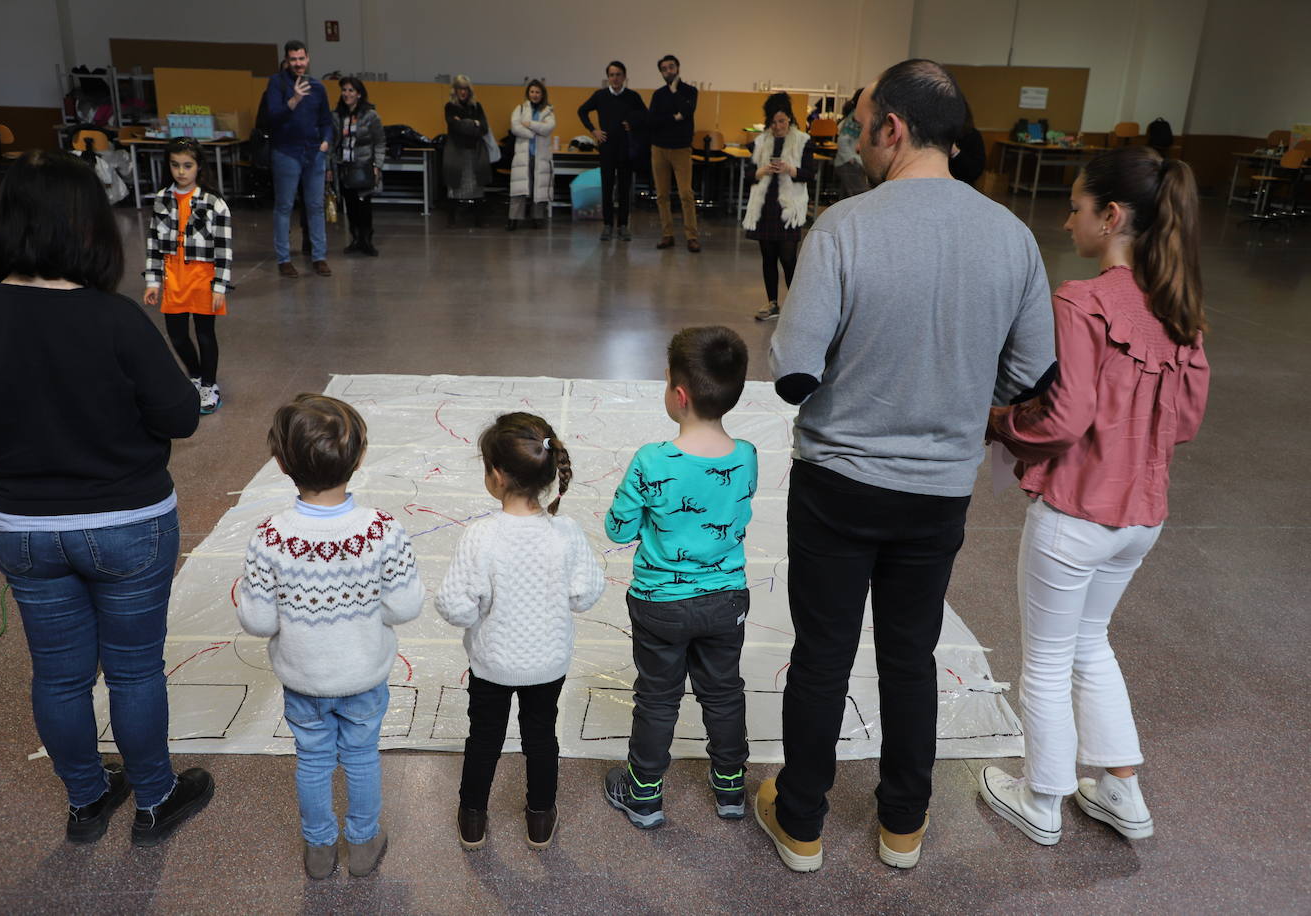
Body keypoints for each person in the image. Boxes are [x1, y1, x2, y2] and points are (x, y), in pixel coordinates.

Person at [759, 59, 1055, 873]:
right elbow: (1031, 378)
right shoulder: (1013, 237)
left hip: (838, 485)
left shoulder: (846, 227)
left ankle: (802, 823)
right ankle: (902, 827)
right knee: (909, 655)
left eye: (858, 125)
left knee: (822, 654)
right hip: (937, 493)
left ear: (892, 128)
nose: (853, 139)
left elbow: (794, 371)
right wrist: (957, 386)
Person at [0, 150, 213, 847]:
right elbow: (180, 415)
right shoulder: (115, 320)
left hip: (26, 527)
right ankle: (154, 800)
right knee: (133, 668)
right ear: (90, 228)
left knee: (58, 677)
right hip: (129, 522)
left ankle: (87, 802)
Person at [977, 147, 1210, 847]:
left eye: (1076, 207)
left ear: (1110, 217)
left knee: (1046, 660)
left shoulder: (1080, 300)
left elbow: (1064, 417)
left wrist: (1002, 424)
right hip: (1143, 516)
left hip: (1075, 514)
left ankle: (1042, 798)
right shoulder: (1181, 307)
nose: (1067, 218)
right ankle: (1122, 788)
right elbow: (1188, 420)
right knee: (1091, 643)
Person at [237, 394, 424, 879]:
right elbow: (405, 606)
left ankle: (319, 848)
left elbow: (258, 621)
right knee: (361, 757)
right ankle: (363, 844)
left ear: (280, 463)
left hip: (303, 679)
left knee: (313, 761)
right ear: (359, 458)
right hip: (363, 675)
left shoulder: (270, 536)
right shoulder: (382, 530)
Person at [601, 326, 756, 829]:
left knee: (658, 697)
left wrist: (650, 519)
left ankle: (644, 793)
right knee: (725, 691)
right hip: (725, 599)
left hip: (659, 602)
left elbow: (618, 529)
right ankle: (731, 787)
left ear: (679, 393)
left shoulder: (652, 460)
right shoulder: (747, 455)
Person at [436, 412, 605, 851]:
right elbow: (585, 594)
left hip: (493, 663)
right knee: (541, 736)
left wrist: (480, 612)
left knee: (484, 738)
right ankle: (540, 816)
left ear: (495, 475)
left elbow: (456, 607)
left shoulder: (481, 536)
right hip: (548, 662)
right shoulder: (565, 532)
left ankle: (473, 816)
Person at [143, 137, 232, 416]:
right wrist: (153, 281)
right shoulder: (161, 200)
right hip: (174, 279)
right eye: (175, 165)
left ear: (199, 167)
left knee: (205, 334)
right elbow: (153, 243)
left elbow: (224, 248)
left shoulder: (214, 203)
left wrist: (220, 285)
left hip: (203, 279)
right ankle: (194, 375)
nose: (181, 171)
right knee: (178, 335)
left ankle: (209, 384)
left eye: (187, 165)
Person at [744, 93, 815, 322]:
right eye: (773, 122)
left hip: (788, 207)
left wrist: (789, 169)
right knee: (768, 257)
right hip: (765, 205)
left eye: (782, 121)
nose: (778, 126)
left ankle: (796, 305)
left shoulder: (803, 140)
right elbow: (747, 175)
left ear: (790, 119)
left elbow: (810, 174)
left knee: (788, 258)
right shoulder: (760, 142)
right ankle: (772, 303)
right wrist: (760, 171)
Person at [265, 39, 333, 278]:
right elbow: (271, 118)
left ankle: (319, 257)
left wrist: (326, 141)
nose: (298, 64)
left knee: (315, 206)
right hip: (286, 153)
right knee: (284, 206)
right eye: (293, 59)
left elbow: (326, 120)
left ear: (308, 59)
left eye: (301, 59)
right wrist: (292, 101)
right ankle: (284, 259)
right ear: (286, 60)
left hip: (314, 153)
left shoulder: (318, 87)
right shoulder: (276, 84)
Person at [578, 61, 647, 241]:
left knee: (624, 188)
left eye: (618, 74)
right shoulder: (600, 96)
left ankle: (623, 225)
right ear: (607, 77)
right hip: (607, 148)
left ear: (624, 77)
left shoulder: (633, 96)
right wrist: (593, 130)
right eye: (612, 75)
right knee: (607, 187)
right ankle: (607, 225)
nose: (615, 78)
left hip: (626, 148)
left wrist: (632, 122)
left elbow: (645, 116)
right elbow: (582, 111)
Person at [648, 55, 700, 252]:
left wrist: (675, 92)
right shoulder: (658, 94)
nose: (668, 71)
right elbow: (652, 119)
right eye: (664, 68)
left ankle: (691, 236)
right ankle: (667, 235)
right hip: (659, 148)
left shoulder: (690, 91)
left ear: (678, 68)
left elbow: (687, 110)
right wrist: (675, 117)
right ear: (661, 72)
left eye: (671, 67)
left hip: (681, 149)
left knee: (685, 193)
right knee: (662, 195)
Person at [331, 76, 386, 256]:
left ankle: (366, 239)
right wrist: (329, 167)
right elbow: (332, 143)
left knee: (364, 205)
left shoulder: (371, 116)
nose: (346, 94)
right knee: (350, 205)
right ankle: (355, 238)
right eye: (344, 90)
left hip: (364, 167)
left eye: (350, 91)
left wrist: (377, 165)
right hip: (344, 167)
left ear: (359, 94)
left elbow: (379, 142)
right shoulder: (337, 115)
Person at [507, 80, 555, 230]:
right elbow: (515, 127)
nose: (535, 95)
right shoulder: (520, 109)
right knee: (519, 189)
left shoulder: (548, 110)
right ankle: (513, 219)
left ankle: (537, 218)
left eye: (538, 92)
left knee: (539, 189)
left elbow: (548, 128)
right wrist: (534, 131)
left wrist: (531, 124)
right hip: (523, 156)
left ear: (542, 94)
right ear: (528, 93)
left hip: (540, 157)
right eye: (532, 92)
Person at [443, 75, 491, 227]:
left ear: (469, 91)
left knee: (477, 185)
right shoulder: (449, 107)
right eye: (460, 89)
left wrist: (465, 123)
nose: (463, 92)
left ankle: (479, 220)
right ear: (455, 91)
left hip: (474, 152)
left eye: (465, 89)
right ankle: (451, 219)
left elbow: (484, 128)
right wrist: (473, 123)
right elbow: (454, 126)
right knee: (454, 186)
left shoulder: (477, 106)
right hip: (456, 152)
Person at [833, 90, 868, 199]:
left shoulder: (855, 115)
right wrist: (851, 158)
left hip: (849, 161)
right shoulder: (855, 117)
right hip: (849, 163)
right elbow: (843, 140)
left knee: (848, 199)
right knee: (860, 197)